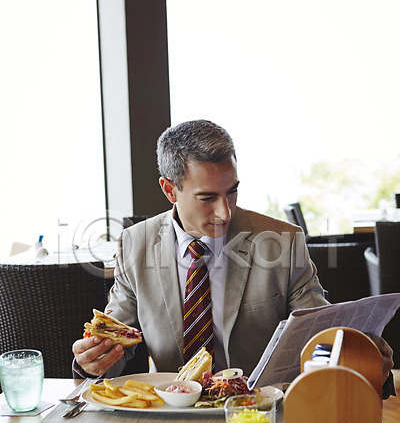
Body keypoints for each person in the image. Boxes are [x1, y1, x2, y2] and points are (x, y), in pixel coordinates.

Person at [72, 119, 395, 396]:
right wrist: (95, 360)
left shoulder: (283, 240)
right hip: (174, 412)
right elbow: (116, 341)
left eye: (232, 191)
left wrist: (355, 349)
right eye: (207, 197)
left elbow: (319, 329)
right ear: (170, 190)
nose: (224, 211)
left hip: (259, 411)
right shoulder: (134, 244)